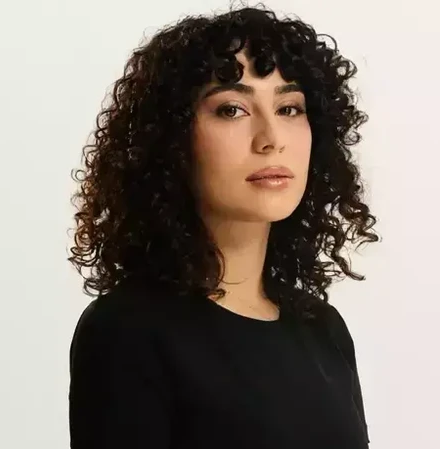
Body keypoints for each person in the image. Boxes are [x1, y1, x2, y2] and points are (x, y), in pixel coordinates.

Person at [67, 4, 379, 448]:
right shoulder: (127, 331)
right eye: (232, 110)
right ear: (173, 139)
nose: (271, 138)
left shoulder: (323, 329)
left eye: (289, 108)